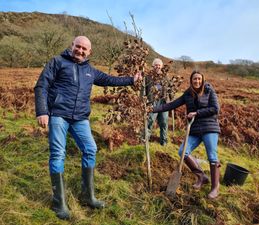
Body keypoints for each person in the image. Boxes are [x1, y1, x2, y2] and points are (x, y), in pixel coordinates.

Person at [34, 36, 141, 219]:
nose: (80, 51)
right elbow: (41, 86)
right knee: (58, 154)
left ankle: (87, 196)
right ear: (72, 46)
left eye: (85, 49)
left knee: (91, 149)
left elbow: (109, 80)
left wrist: (132, 80)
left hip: (80, 118)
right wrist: (42, 111)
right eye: (78, 46)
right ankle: (59, 203)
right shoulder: (57, 62)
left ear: (89, 52)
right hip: (58, 114)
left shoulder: (90, 70)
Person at [153, 70, 221, 199]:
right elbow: (172, 104)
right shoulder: (188, 94)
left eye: (199, 79)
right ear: (191, 80)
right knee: (182, 152)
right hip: (195, 129)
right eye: (194, 79)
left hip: (209, 127)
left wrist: (196, 113)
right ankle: (201, 176)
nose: (197, 81)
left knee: (212, 157)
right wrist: (152, 109)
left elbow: (215, 109)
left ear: (202, 80)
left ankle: (215, 187)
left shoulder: (209, 90)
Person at [146, 58, 169, 146]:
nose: (157, 66)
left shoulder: (165, 76)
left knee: (164, 121)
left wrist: (170, 98)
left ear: (161, 66)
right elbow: (143, 89)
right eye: (156, 65)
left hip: (163, 102)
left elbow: (170, 88)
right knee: (150, 121)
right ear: (153, 66)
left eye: (159, 65)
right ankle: (145, 139)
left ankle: (164, 141)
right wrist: (144, 100)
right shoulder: (148, 77)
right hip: (152, 102)